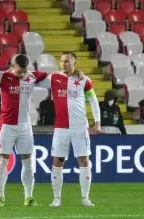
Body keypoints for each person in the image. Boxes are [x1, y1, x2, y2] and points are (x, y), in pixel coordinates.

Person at [41, 51, 100, 207]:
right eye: (61, 61)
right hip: (60, 127)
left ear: (75, 62)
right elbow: (34, 80)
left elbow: (93, 101)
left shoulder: (84, 80)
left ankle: (85, 198)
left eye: (67, 61)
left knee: (83, 160)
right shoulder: (53, 78)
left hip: (80, 127)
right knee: (58, 160)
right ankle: (56, 199)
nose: (63, 64)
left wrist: (97, 122)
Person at [0, 54, 47, 206]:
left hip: (25, 126)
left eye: (24, 71)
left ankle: (28, 197)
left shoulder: (31, 77)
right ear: (12, 66)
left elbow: (50, 76)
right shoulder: (1, 77)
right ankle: (0, 197)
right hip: (7, 125)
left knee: (28, 162)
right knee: (2, 161)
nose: (22, 74)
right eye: (19, 71)